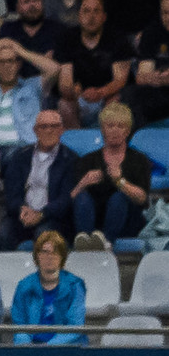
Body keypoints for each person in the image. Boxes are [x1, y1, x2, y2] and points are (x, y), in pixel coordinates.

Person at [69, 101, 150, 249]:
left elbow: (142, 199)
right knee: (82, 197)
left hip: (126, 221)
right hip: (93, 220)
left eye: (120, 126)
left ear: (128, 130)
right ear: (102, 129)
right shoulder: (87, 160)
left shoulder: (139, 160)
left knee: (119, 197)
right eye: (110, 126)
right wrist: (83, 184)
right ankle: (84, 242)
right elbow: (70, 198)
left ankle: (106, 243)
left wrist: (120, 181)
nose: (115, 130)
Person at [0, 109, 78, 248]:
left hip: (54, 218)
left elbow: (66, 198)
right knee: (3, 233)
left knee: (45, 236)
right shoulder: (19, 157)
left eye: (54, 126)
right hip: (22, 216)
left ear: (62, 130)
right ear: (35, 130)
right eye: (44, 127)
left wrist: (42, 214)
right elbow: (11, 193)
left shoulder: (71, 159)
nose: (49, 131)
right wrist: (22, 209)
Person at [55, 0, 133, 128]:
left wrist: (100, 93)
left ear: (104, 17)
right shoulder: (67, 38)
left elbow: (120, 80)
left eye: (96, 11)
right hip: (80, 97)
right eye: (86, 11)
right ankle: (76, 146)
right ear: (79, 15)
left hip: (109, 94)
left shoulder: (117, 38)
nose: (91, 17)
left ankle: (109, 145)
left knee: (114, 103)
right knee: (64, 104)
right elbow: (65, 82)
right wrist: (74, 92)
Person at [11, 229, 87, 344]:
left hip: (66, 348)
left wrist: (49, 347)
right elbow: (19, 324)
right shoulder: (24, 286)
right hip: (32, 348)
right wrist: (26, 346)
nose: (49, 257)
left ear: (62, 257)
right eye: (45, 252)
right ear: (37, 256)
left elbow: (75, 326)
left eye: (55, 252)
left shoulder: (75, 285)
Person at [0, 0, 63, 72]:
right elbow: (4, 63)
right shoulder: (8, 29)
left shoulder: (58, 30)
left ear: (43, 4)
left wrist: (19, 54)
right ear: (18, 8)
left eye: (36, 0)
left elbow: (59, 67)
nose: (32, 5)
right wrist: (42, 61)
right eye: (26, 1)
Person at [131, 0, 169, 126]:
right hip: (158, 91)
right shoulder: (151, 33)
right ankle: (141, 141)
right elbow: (142, 76)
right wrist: (158, 78)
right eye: (165, 12)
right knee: (135, 94)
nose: (168, 17)